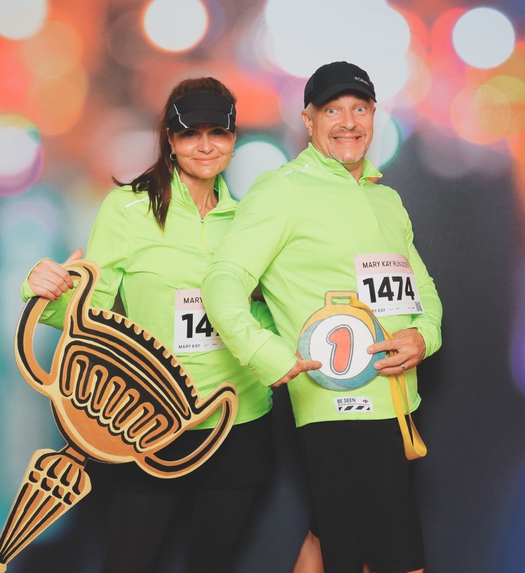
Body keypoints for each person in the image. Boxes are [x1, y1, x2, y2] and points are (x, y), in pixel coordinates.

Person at [21, 77, 276, 573]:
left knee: (215, 563)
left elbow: (270, 311)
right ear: (170, 139)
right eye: (190, 133)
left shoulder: (251, 219)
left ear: (233, 139)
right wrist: (44, 290)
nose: (206, 145)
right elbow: (89, 311)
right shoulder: (128, 210)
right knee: (129, 562)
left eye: (218, 132)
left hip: (239, 417)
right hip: (151, 417)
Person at [201, 61, 443, 573]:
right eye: (332, 110)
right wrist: (265, 354)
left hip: (400, 402)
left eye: (359, 109)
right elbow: (223, 279)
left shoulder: (386, 198)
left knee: (333, 538)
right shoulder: (281, 190)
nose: (348, 122)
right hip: (338, 405)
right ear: (308, 121)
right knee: (393, 557)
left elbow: (420, 286)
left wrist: (424, 335)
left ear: (374, 116)